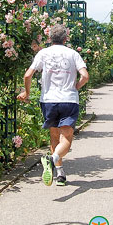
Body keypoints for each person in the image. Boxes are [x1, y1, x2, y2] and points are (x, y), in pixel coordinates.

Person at [17, 24, 89, 186]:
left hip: (48, 101)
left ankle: (60, 173)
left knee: (54, 136)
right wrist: (76, 87)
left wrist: (27, 94)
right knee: (66, 139)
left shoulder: (43, 53)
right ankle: (53, 159)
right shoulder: (73, 54)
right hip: (68, 100)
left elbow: (28, 75)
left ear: (50, 38)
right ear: (65, 38)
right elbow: (85, 76)